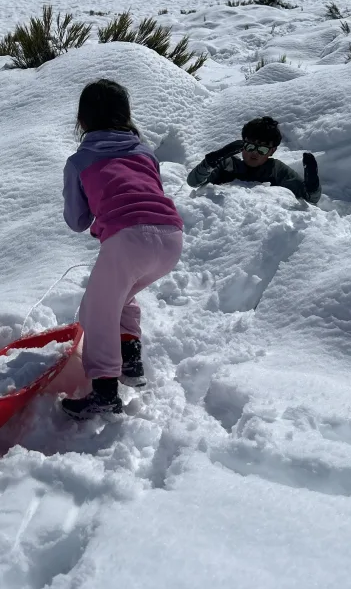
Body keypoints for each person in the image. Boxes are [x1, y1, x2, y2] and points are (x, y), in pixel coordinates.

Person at [61, 79, 184, 419]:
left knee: (96, 312)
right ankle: (129, 360)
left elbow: (77, 220)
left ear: (82, 120)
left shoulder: (80, 160)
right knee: (121, 297)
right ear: (126, 116)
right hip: (171, 237)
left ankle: (104, 392)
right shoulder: (145, 152)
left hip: (128, 240)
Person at [187, 116, 321, 204]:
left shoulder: (276, 170)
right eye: (250, 146)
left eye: (262, 149)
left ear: (271, 151)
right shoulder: (227, 164)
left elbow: (310, 198)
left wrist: (312, 183)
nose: (255, 153)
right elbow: (193, 182)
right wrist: (211, 161)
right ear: (242, 145)